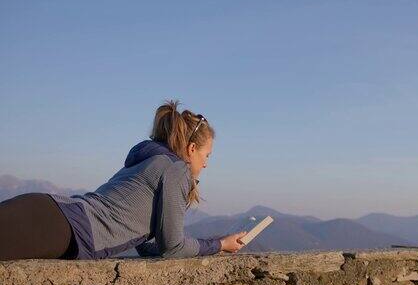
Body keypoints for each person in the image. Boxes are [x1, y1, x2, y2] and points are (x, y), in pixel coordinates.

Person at [0, 100, 247, 260]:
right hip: (61, 228)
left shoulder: (150, 160)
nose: (206, 163)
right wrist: (219, 244)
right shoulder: (176, 169)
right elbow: (173, 248)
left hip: (49, 212)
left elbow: (145, 243)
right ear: (192, 149)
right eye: (207, 155)